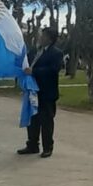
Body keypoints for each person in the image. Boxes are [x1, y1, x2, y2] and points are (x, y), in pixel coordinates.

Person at [19, 27, 64, 157]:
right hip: (32, 91)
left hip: (46, 92)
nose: (40, 37)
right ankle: (32, 145)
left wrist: (34, 72)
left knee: (46, 120)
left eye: (43, 35)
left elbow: (53, 70)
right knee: (33, 119)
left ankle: (48, 147)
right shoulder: (34, 51)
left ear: (50, 38)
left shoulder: (56, 53)